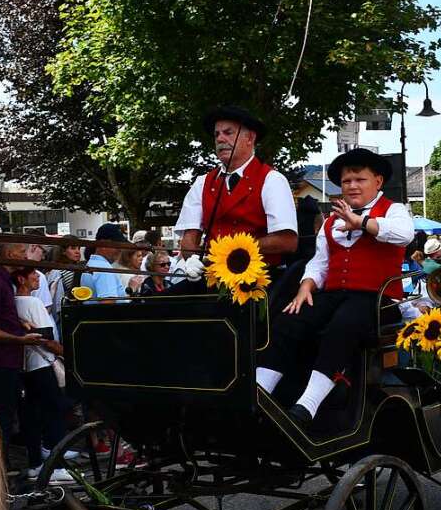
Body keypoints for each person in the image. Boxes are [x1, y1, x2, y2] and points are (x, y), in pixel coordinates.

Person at [256, 148, 414, 426]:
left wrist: (363, 223)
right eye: (346, 181)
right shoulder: (330, 221)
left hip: (378, 299)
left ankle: (308, 405)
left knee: (343, 324)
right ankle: (259, 394)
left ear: (377, 181)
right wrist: (305, 287)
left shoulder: (393, 210)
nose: (352, 186)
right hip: (336, 294)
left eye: (359, 179)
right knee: (288, 320)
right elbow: (319, 264)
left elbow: (404, 234)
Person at [173, 105, 297, 281]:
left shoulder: (272, 180)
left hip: (261, 281)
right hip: (214, 278)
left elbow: (287, 241)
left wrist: (233, 249)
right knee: (160, 305)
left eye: (228, 132)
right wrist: (191, 260)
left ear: (250, 138)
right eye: (216, 134)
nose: (220, 139)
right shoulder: (202, 183)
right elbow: (189, 238)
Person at [0, 242, 51, 470]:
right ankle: (1, 467)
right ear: (9, 254)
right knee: (4, 414)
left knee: (14, 411)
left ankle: (12, 461)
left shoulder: (2, 279)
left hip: (9, 356)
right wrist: (19, 339)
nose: (25, 256)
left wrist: (18, 323)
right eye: (22, 252)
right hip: (0, 358)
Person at [13, 269, 72, 482]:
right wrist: (65, 353)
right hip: (42, 364)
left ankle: (35, 463)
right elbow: (46, 338)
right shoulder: (33, 303)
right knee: (55, 410)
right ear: (21, 279)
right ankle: (55, 466)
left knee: (32, 414)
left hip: (26, 366)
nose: (38, 278)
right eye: (34, 276)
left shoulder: (12, 303)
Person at [81, 224, 130, 300]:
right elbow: (107, 305)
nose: (120, 249)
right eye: (117, 245)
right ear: (103, 243)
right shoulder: (104, 268)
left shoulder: (93, 263)